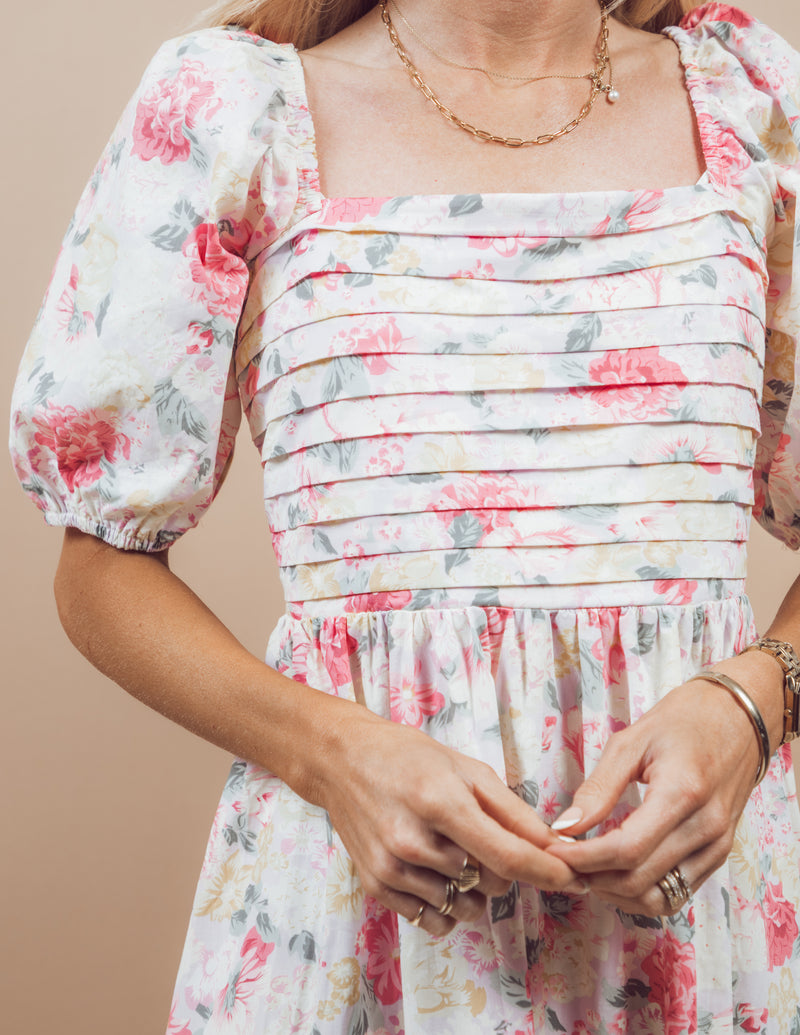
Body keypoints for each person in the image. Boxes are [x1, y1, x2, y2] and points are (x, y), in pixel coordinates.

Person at [9, 0, 800, 1029]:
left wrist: (749, 706)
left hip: (695, 939)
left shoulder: (749, 102)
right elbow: (98, 571)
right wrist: (332, 756)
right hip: (355, 933)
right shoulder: (232, 109)